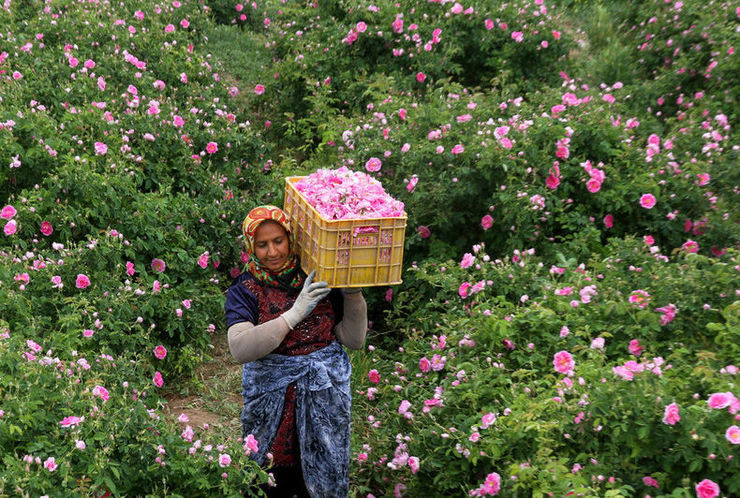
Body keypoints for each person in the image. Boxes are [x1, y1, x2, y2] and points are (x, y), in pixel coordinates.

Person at [225, 205, 367, 498]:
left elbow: (352, 339)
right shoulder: (245, 288)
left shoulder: (317, 276)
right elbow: (240, 348)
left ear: (291, 238)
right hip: (273, 403)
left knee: (320, 477)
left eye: (278, 240)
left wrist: (353, 292)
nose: (272, 251)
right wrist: (294, 313)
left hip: (324, 398)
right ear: (251, 246)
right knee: (270, 477)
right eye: (262, 245)